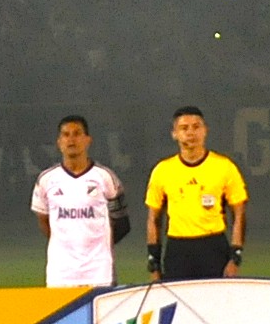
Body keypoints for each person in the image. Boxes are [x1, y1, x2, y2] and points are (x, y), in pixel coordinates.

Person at [144, 105, 247, 280]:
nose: (191, 133)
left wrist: (235, 255)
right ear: (174, 133)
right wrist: (153, 259)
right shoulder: (163, 170)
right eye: (184, 128)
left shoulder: (224, 166)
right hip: (178, 249)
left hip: (213, 247)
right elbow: (154, 219)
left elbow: (239, 213)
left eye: (196, 127)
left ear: (205, 130)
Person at [29, 115, 126, 288]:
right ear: (59, 142)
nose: (71, 139)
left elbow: (121, 222)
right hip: (61, 272)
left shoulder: (105, 177)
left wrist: (99, 245)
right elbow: (44, 221)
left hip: (98, 270)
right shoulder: (46, 180)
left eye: (77, 134)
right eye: (66, 135)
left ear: (88, 140)